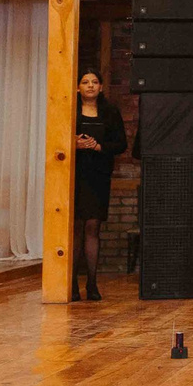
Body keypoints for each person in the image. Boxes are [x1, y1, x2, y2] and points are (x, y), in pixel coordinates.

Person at [69, 71, 127, 301]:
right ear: (77, 87)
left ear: (101, 87)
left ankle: (92, 283)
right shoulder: (69, 110)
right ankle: (70, 283)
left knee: (93, 227)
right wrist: (73, 143)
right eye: (85, 82)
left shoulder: (110, 111)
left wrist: (97, 147)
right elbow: (54, 138)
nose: (90, 86)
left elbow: (121, 143)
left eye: (94, 82)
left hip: (98, 175)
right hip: (74, 174)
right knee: (74, 228)